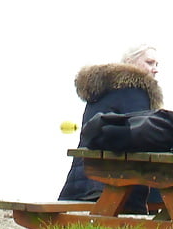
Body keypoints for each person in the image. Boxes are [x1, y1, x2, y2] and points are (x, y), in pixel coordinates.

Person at [58, 44, 163, 213]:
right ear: (129, 61)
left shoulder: (103, 89)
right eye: (149, 63)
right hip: (110, 183)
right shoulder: (135, 90)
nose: (155, 69)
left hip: (82, 182)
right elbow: (142, 136)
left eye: (157, 64)